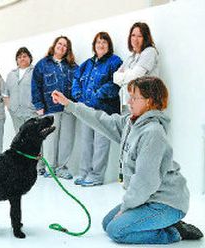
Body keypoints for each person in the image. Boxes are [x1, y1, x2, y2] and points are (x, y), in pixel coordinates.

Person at [52, 76, 203, 244]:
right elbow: (100, 120)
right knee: (107, 223)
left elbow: (145, 182)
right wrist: (70, 105)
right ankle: (159, 223)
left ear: (149, 101)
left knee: (116, 231)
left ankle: (173, 232)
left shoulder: (153, 133)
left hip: (166, 202)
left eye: (134, 97)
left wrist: (126, 207)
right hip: (148, 198)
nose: (129, 101)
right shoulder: (130, 123)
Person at [71, 32, 122, 186]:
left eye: (104, 42)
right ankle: (84, 172)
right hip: (87, 109)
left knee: (101, 144)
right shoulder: (87, 64)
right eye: (98, 42)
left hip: (104, 109)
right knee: (86, 142)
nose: (101, 45)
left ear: (109, 45)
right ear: (94, 45)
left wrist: (97, 94)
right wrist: (78, 95)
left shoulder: (115, 61)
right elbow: (76, 80)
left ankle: (96, 176)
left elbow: (115, 83)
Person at [31, 36, 78, 179]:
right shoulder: (42, 64)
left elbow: (78, 85)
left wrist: (76, 104)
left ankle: (61, 167)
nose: (62, 47)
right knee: (50, 139)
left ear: (67, 50)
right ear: (54, 45)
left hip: (68, 108)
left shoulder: (73, 66)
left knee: (67, 139)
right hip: (49, 109)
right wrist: (39, 105)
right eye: (60, 44)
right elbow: (35, 85)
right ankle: (49, 167)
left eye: (65, 45)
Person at [114, 22, 159, 113]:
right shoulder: (131, 57)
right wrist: (127, 74)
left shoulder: (149, 52)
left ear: (145, 38)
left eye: (139, 36)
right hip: (127, 103)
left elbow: (134, 77)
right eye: (133, 35)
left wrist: (124, 74)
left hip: (143, 104)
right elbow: (115, 77)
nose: (135, 39)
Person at [3, 47, 37, 132]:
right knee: (20, 141)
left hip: (32, 113)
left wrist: (37, 108)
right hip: (16, 114)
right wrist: (10, 107)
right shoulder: (11, 74)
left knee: (33, 140)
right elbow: (5, 94)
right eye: (19, 57)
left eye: (24, 56)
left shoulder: (36, 71)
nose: (22, 58)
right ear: (17, 60)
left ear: (30, 58)